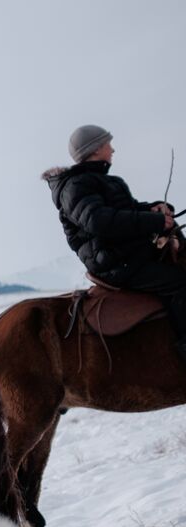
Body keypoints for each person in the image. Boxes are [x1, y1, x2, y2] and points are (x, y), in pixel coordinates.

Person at [45, 125, 183, 358]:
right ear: (96, 149)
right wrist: (153, 222)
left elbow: (126, 212)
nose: (113, 149)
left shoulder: (99, 181)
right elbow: (99, 221)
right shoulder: (75, 187)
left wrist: (156, 209)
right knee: (179, 283)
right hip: (115, 262)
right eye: (108, 144)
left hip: (127, 253)